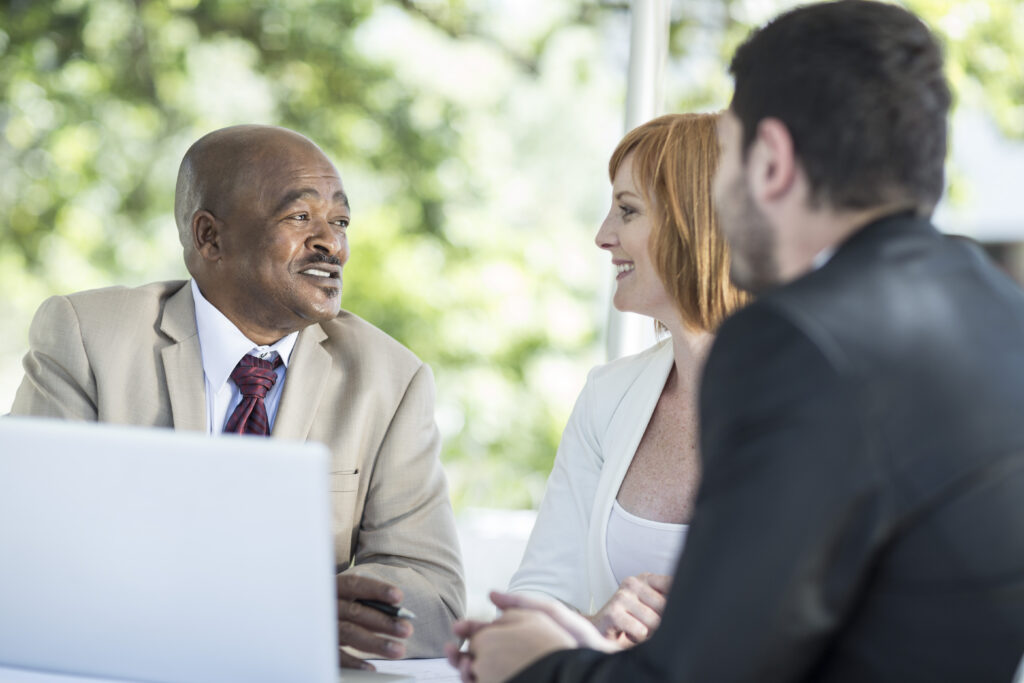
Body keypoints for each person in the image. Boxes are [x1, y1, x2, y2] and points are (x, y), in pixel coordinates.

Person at [449, 1, 1024, 681]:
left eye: (730, 159)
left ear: (772, 162)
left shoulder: (794, 340)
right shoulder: (1001, 316)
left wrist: (539, 663)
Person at [11, 124, 465, 669]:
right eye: (300, 217)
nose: (333, 244)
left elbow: (434, 596)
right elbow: (31, 552)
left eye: (340, 221)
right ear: (210, 238)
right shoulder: (88, 338)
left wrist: (312, 615)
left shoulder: (391, 380)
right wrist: (263, 608)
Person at [507, 113, 747, 646]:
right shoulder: (608, 397)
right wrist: (594, 629)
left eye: (628, 211)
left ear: (699, 222)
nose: (602, 235)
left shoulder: (824, 398)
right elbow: (538, 599)